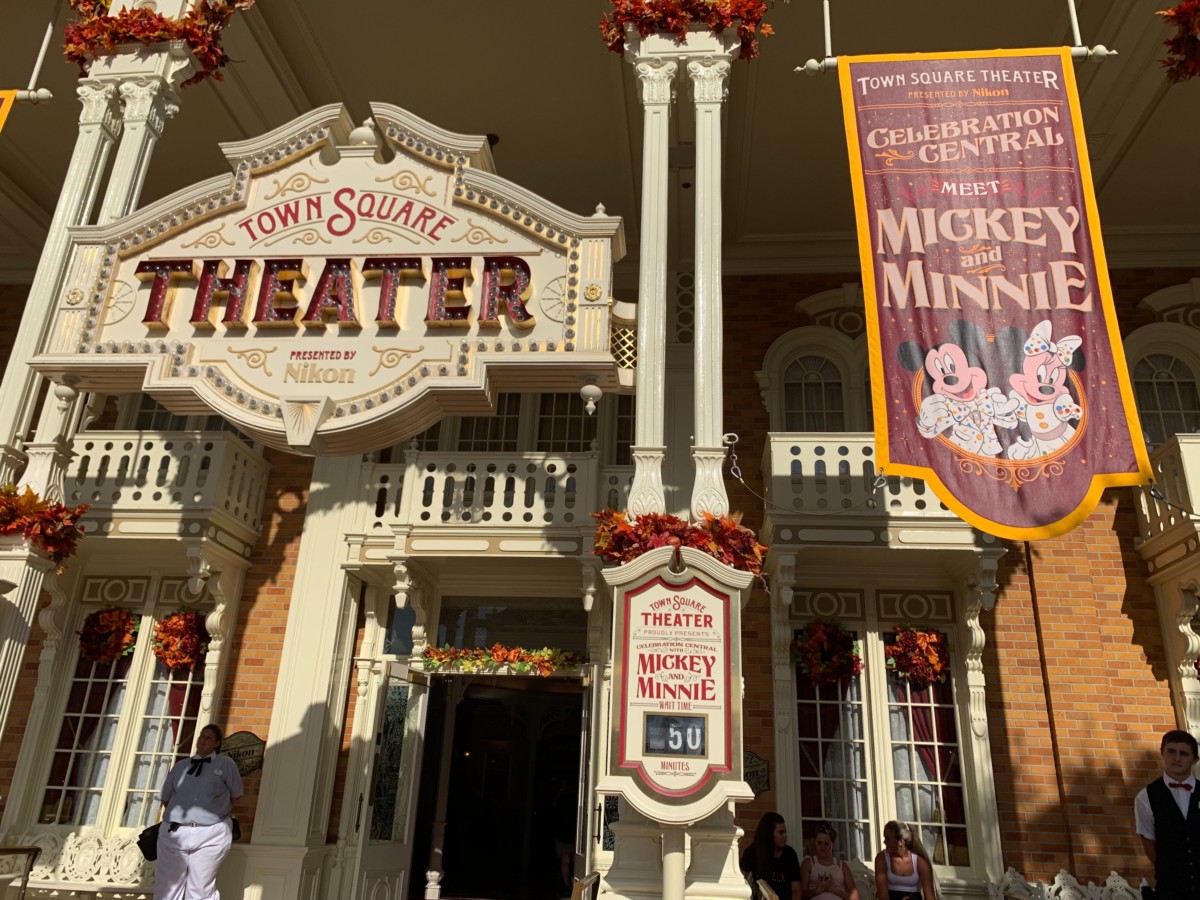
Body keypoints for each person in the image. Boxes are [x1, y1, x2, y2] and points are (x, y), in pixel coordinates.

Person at [154, 723, 244, 900]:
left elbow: (236, 796)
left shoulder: (225, 764)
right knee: (167, 887)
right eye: (201, 736)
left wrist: (213, 810)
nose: (202, 740)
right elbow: (166, 799)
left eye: (208, 738)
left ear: (217, 743)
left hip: (210, 832)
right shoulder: (181, 766)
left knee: (200, 888)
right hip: (175, 831)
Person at [1134, 729, 1200, 899]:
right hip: (1171, 889)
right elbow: (1149, 844)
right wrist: (1172, 872)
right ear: (1162, 753)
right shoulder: (1146, 797)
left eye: (1184, 754)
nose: (1177, 758)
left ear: (1195, 760)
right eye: (1171, 751)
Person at [741, 812, 803, 900]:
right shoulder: (753, 852)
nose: (785, 836)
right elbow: (739, 879)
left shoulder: (790, 854)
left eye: (785, 832)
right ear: (769, 833)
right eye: (781, 832)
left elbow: (796, 890)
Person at [873, 820, 935, 900]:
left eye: (887, 838)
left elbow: (930, 896)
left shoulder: (920, 862)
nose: (884, 842)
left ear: (900, 842)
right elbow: (882, 896)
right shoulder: (881, 858)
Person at [801, 821, 861, 900]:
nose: (822, 847)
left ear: (833, 844)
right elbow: (802, 894)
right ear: (815, 843)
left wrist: (834, 890)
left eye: (826, 844)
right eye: (819, 843)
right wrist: (818, 890)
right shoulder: (809, 863)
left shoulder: (842, 866)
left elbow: (855, 897)